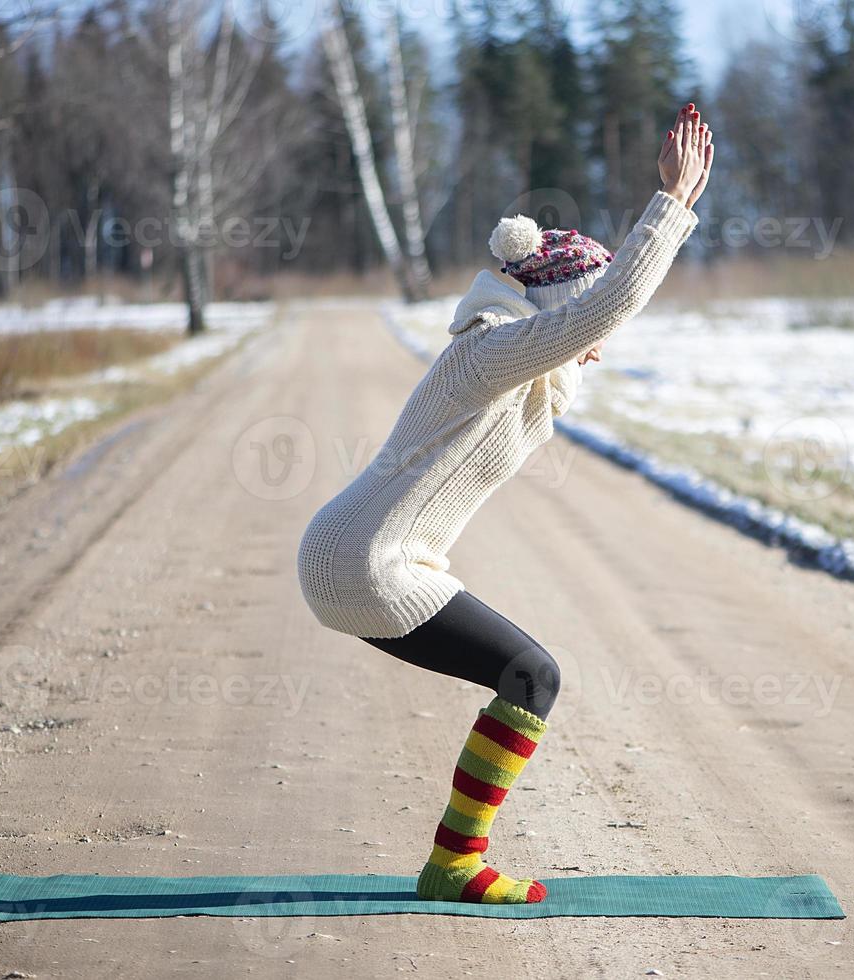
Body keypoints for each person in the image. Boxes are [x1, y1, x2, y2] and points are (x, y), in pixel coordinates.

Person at [297, 104, 714, 904]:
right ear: (553, 309)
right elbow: (604, 308)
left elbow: (590, 325)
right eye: (584, 328)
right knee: (531, 674)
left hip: (357, 554)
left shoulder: (513, 369)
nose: (598, 349)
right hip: (366, 559)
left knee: (523, 675)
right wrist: (674, 204)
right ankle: (453, 865)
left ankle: (451, 862)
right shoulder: (489, 354)